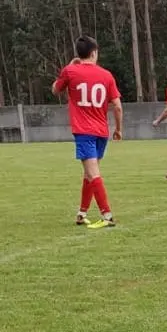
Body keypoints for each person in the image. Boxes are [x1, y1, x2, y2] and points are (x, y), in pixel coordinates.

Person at [51, 35, 122, 229]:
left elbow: (55, 90)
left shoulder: (70, 71)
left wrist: (68, 66)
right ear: (94, 53)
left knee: (93, 174)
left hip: (84, 131)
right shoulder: (107, 75)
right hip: (102, 131)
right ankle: (82, 214)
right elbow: (117, 106)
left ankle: (107, 215)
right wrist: (118, 129)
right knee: (89, 173)